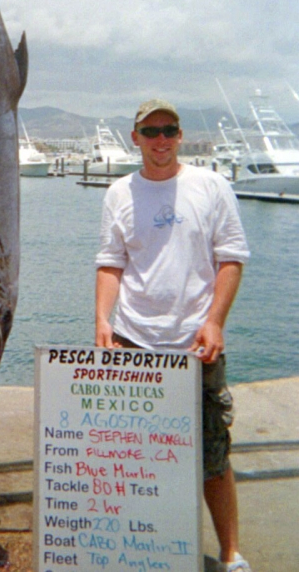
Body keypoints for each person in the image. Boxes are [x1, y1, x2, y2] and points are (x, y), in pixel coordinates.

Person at [95, 98, 252, 572]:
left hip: (195, 345)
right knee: (134, 457)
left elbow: (231, 258)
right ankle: (144, 549)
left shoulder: (212, 185)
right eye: (150, 131)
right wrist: (103, 320)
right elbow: (110, 263)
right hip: (133, 341)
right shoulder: (118, 193)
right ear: (135, 138)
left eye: (169, 129)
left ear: (180, 135)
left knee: (212, 455)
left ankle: (230, 555)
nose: (160, 139)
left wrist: (215, 320)